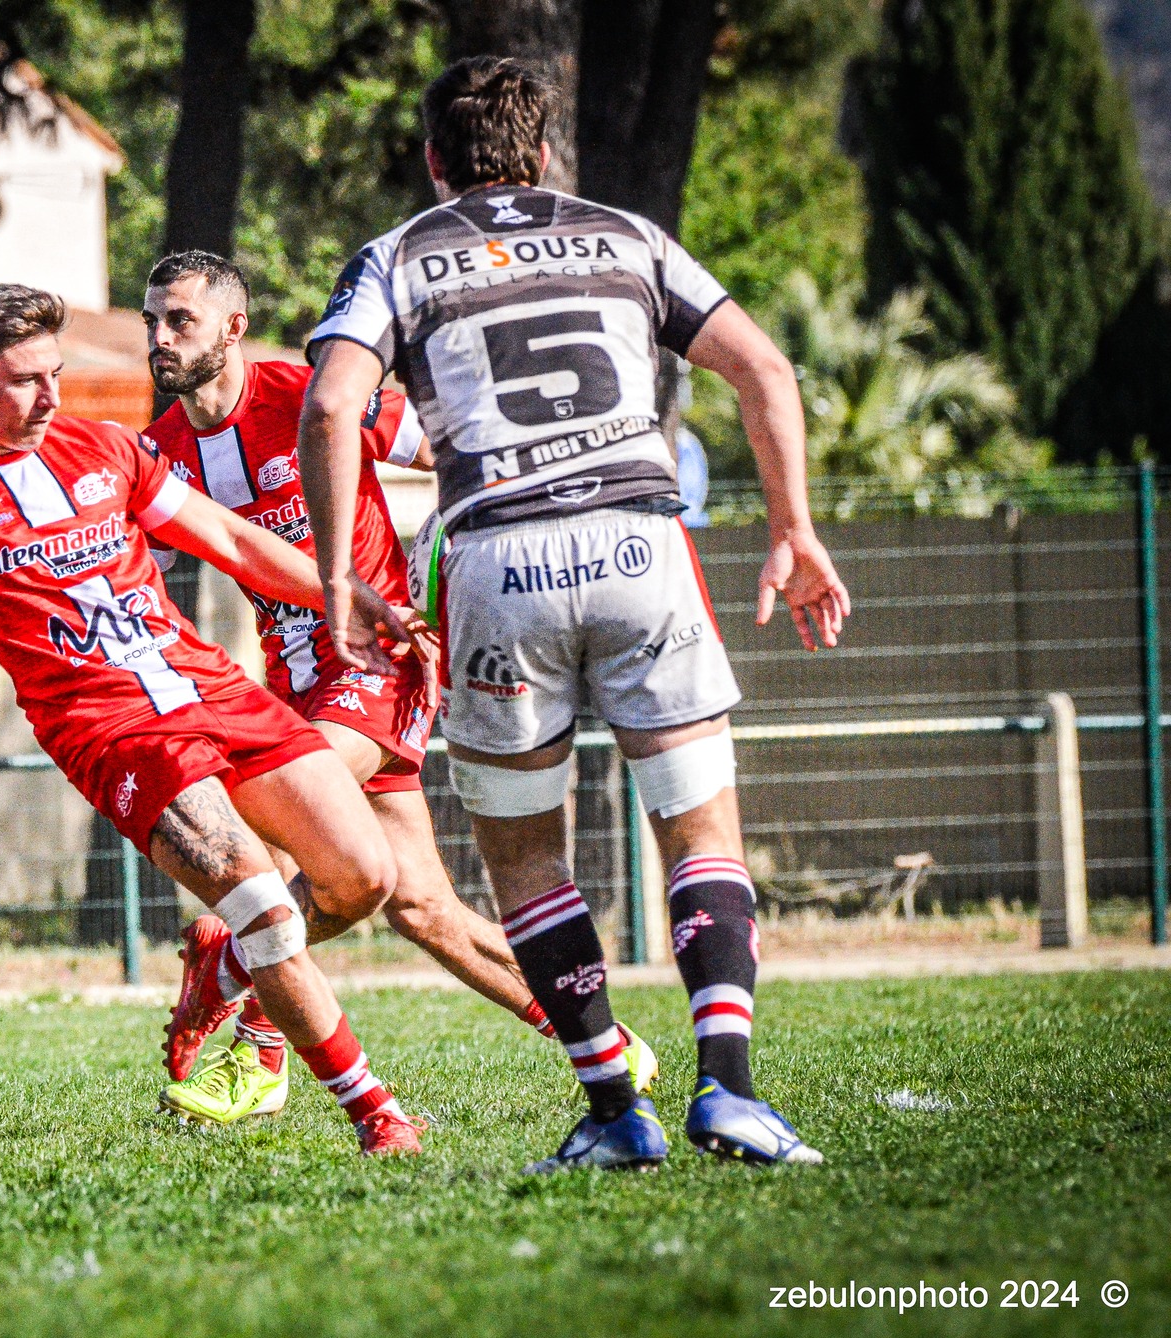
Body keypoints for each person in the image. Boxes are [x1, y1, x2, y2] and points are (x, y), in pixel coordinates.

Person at [301, 57, 850, 1171]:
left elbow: (327, 402)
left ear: (431, 161)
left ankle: (612, 1110)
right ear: (540, 153)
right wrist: (791, 528)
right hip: (639, 541)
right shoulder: (625, 234)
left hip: (496, 555)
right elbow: (763, 369)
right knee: (698, 832)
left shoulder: (398, 253)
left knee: (526, 864)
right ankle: (730, 1094)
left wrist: (329, 575)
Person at [0, 283, 422, 1156]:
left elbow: (231, 542)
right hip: (117, 730)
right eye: (26, 381)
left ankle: (222, 967)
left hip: (210, 687)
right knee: (268, 906)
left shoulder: (104, 449)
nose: (52, 396)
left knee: (364, 875)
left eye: (56, 374)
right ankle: (376, 1114)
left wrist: (344, 596)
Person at [139, 251, 655, 1125]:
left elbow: (458, 450)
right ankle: (604, 1044)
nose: (158, 337)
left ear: (233, 327)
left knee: (291, 802)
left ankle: (246, 1012)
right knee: (421, 908)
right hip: (293, 678)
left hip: (380, 660)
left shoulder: (312, 400)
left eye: (178, 320)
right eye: (151, 318)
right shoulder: (162, 451)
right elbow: (130, 580)